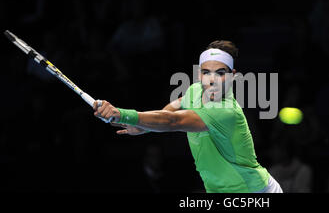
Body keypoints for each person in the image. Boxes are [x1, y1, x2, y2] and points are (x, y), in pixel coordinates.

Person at [92, 40, 283, 193]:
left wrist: (124, 114)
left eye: (221, 73)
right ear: (199, 75)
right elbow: (170, 111)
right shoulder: (193, 91)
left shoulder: (226, 112)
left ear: (233, 75)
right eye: (206, 72)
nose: (212, 80)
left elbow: (172, 121)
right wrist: (143, 126)